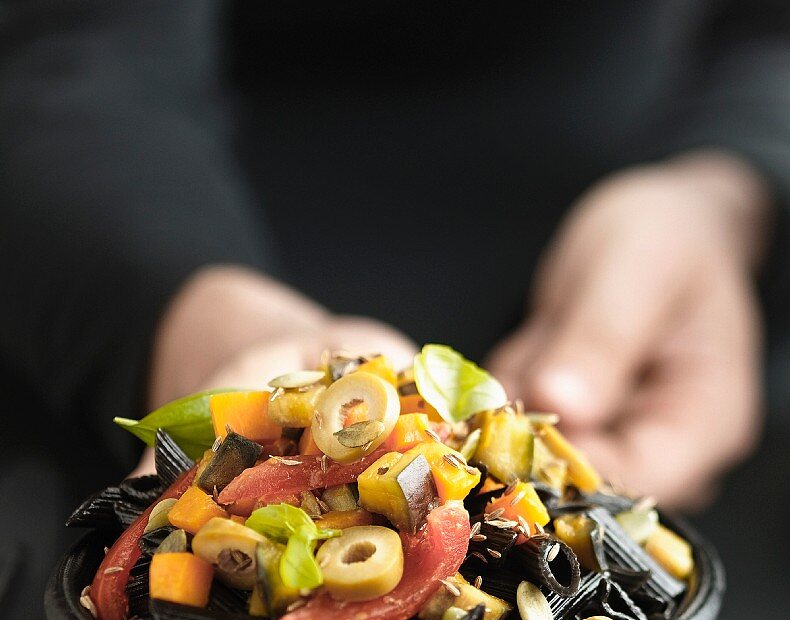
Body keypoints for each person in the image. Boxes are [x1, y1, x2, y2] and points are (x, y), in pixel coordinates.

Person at [1, 1, 786, 506]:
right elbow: (70, 54)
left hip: (623, 211)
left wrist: (726, 189)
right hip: (143, 238)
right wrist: (198, 324)